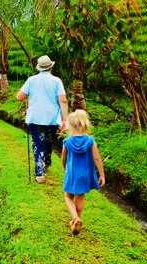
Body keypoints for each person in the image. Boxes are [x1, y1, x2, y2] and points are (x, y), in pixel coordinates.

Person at [16, 55, 68, 184]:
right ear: (51, 67)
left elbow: (19, 97)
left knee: (38, 143)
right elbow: (63, 100)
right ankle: (47, 162)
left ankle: (40, 173)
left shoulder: (31, 80)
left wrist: (28, 93)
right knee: (49, 141)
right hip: (51, 118)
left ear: (39, 68)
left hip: (35, 117)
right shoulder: (57, 81)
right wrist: (65, 120)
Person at [61, 109, 105, 235]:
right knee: (80, 196)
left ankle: (75, 218)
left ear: (71, 125)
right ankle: (76, 221)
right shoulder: (90, 141)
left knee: (68, 196)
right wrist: (101, 174)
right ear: (86, 124)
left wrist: (65, 168)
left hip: (72, 173)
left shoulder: (67, 142)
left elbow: (63, 158)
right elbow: (97, 158)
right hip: (86, 174)